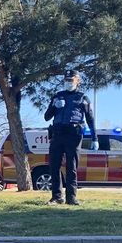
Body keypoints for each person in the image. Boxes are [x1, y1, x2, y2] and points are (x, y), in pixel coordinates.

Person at [43, 70, 96, 206]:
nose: (68, 83)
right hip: (57, 133)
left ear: (77, 81)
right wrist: (54, 106)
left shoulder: (83, 97)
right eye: (66, 80)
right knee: (54, 166)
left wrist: (94, 138)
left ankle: (71, 198)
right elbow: (47, 116)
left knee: (71, 167)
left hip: (73, 135)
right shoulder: (57, 96)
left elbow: (90, 119)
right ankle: (56, 197)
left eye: (71, 80)